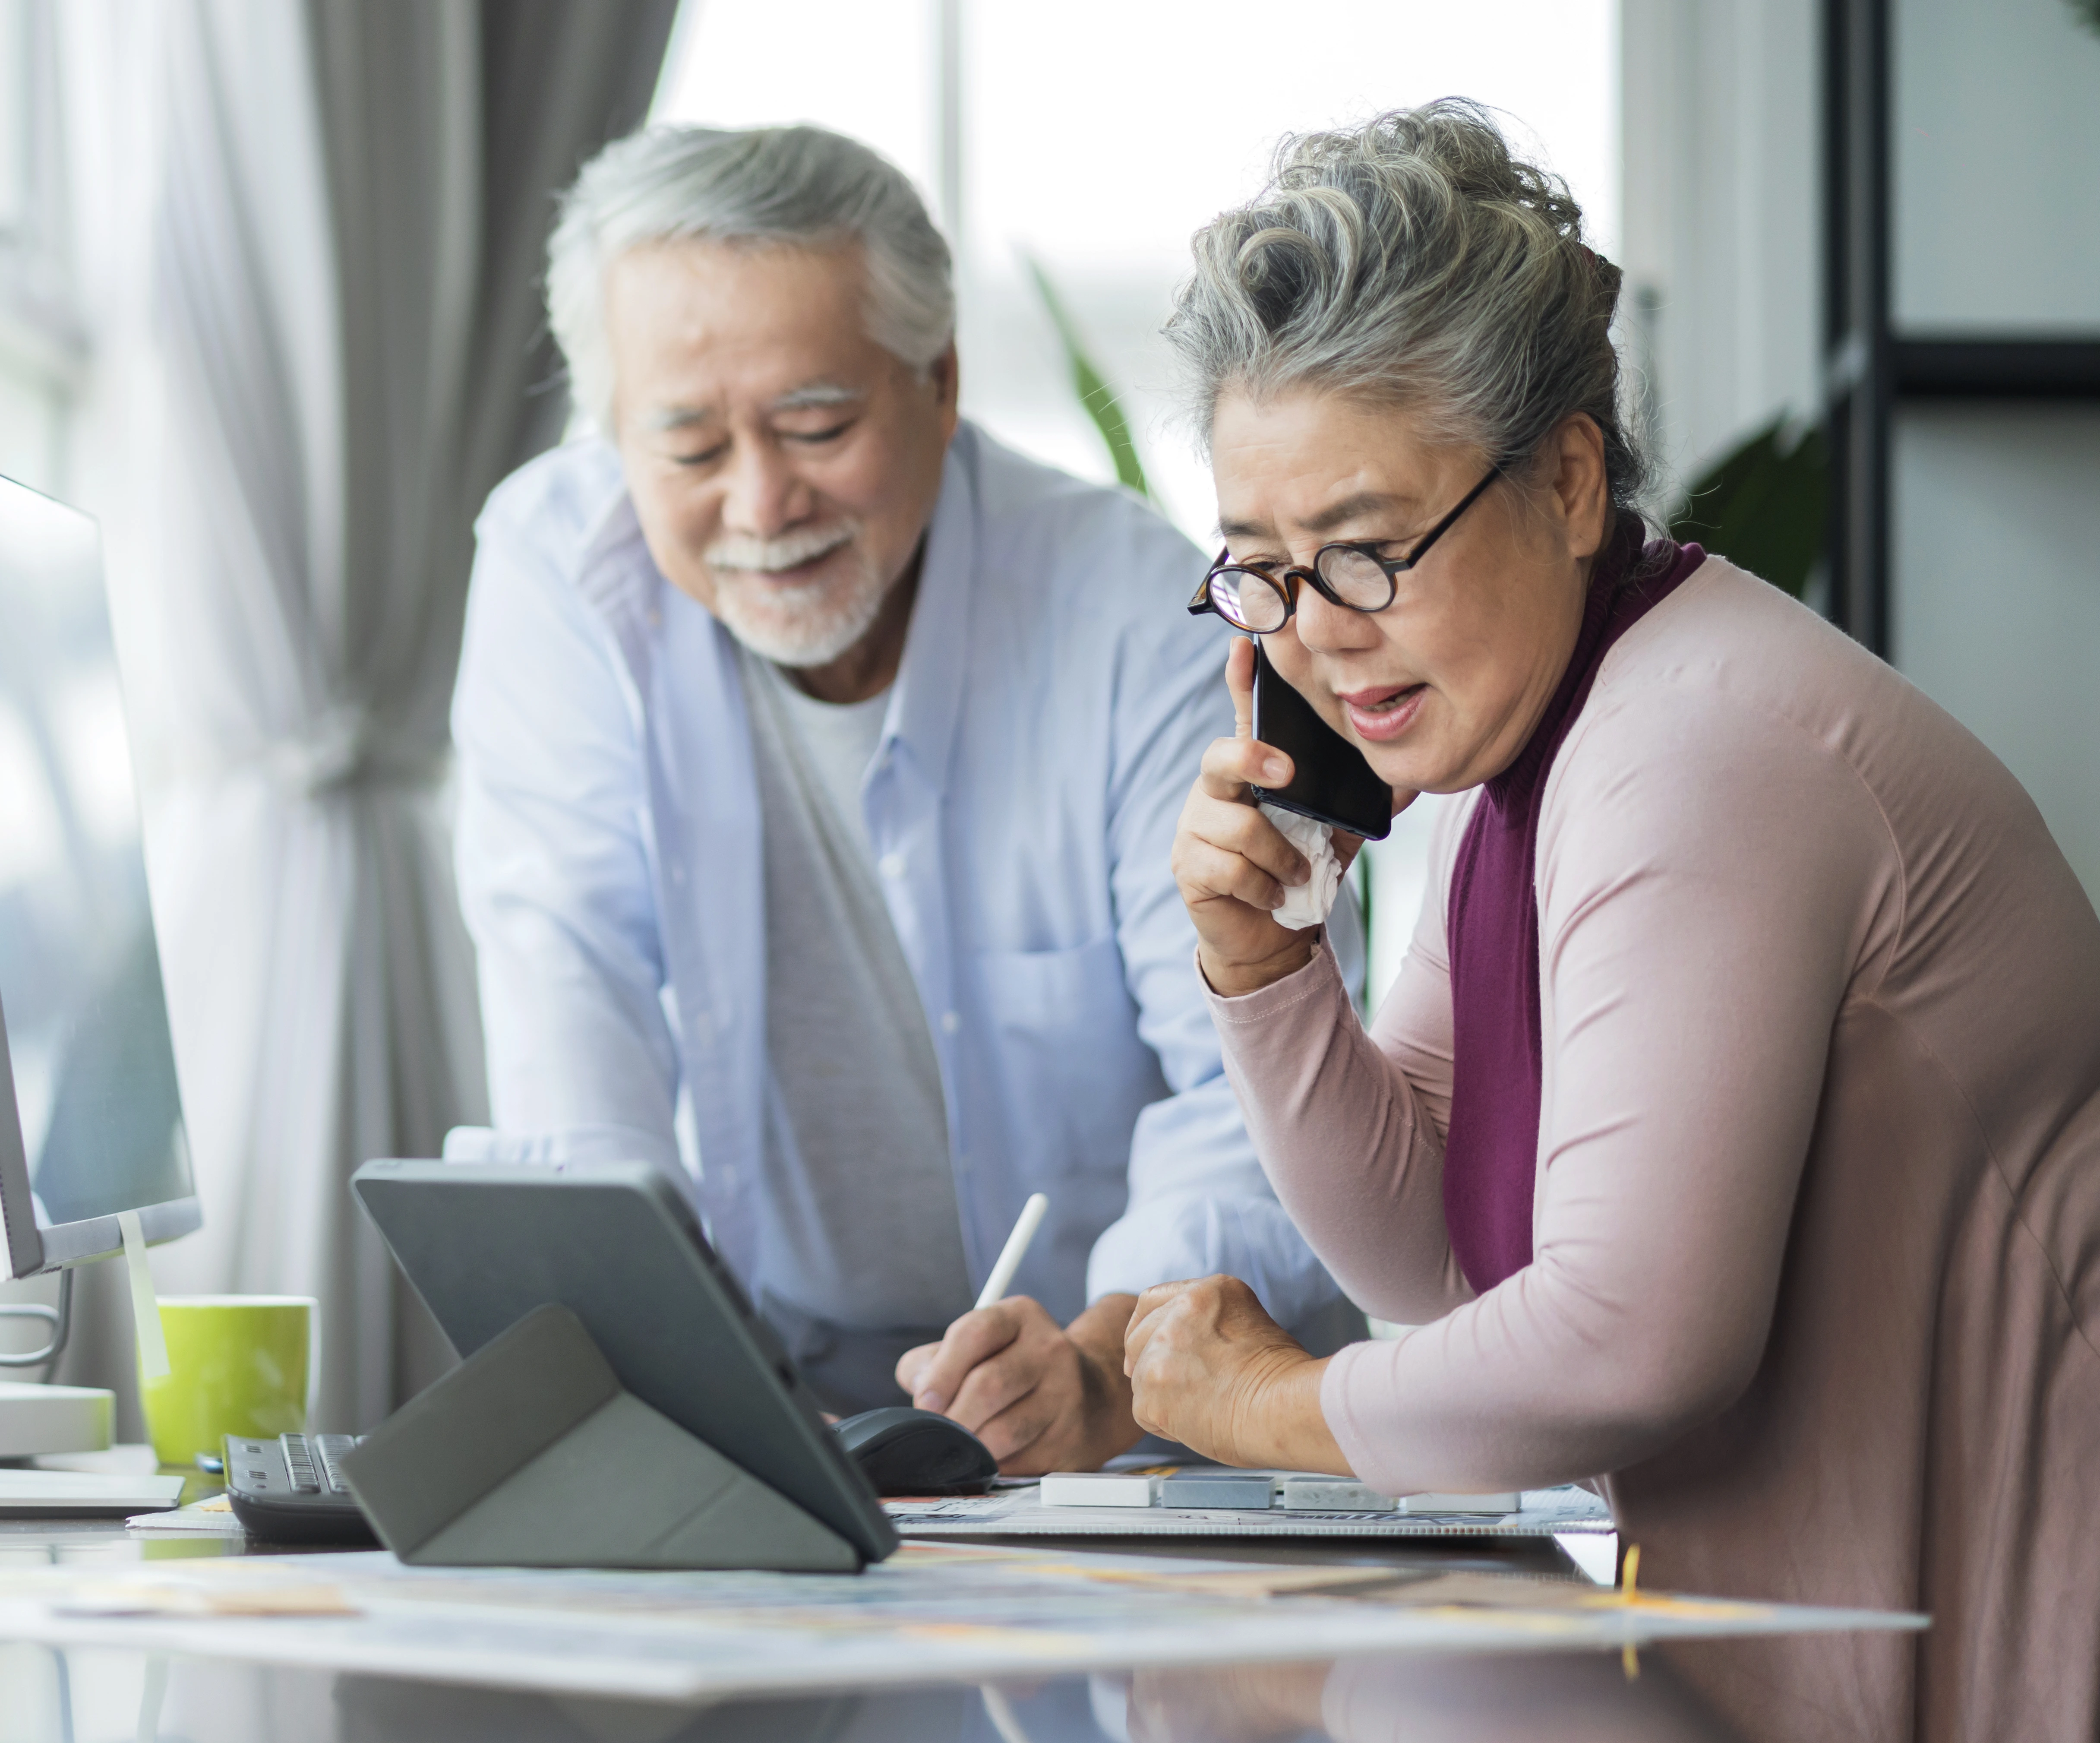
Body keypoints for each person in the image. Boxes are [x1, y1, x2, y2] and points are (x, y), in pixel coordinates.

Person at [1127, 101, 2100, 1741]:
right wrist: (1269, 967)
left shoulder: (1693, 745)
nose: (1317, 638)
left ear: (1569, 481)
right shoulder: (1525, 738)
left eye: (1366, 554)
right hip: (1818, 1643)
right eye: (1263, 570)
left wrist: (1269, 1401)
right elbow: (1431, 1256)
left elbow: (1628, 1339)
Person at [447, 123, 1357, 1470]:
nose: (762, 503)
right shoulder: (557, 569)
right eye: (688, 447)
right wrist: (675, 1375)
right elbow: (569, 1004)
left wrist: (1106, 1366)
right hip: (771, 1409)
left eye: (817, 425)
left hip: (1136, 1422)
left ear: (940, 382)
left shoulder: (1136, 621)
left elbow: (1265, 1092)